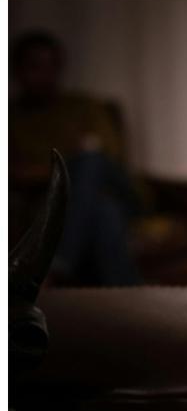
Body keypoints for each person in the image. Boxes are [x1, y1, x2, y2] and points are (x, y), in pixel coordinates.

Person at [10, 31, 141, 285]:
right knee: (104, 213)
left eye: (52, 66)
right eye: (35, 66)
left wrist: (62, 167)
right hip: (58, 203)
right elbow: (15, 173)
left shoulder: (85, 106)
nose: (45, 75)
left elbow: (107, 157)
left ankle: (57, 263)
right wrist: (71, 162)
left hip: (120, 191)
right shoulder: (12, 119)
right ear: (17, 70)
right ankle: (132, 303)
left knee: (91, 163)